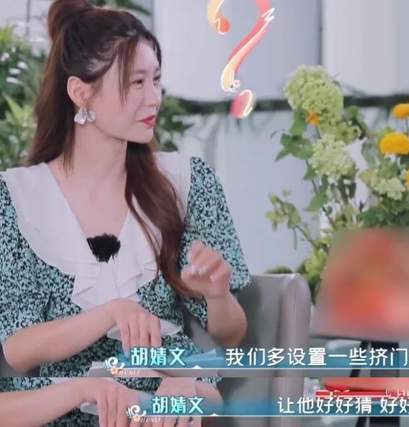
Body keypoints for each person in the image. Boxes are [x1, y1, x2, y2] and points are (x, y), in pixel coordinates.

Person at [0, 0, 251, 424]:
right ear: (81, 92)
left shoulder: (186, 182)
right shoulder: (16, 197)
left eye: (156, 80)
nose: (154, 97)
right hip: (60, 406)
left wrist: (218, 294)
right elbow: (19, 348)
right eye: (136, 82)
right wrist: (110, 313)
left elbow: (232, 333)